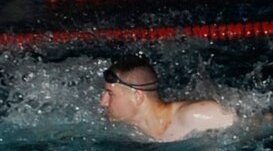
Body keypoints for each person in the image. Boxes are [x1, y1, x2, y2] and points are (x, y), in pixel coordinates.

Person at [99, 56, 237, 142]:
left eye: (110, 94)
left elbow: (252, 128)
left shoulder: (194, 115)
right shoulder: (135, 134)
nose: (103, 102)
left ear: (138, 97)